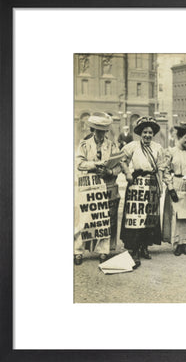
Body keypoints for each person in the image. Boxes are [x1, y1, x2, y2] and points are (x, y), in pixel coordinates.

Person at [75, 112, 122, 265]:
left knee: (104, 219)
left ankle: (103, 250)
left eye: (103, 130)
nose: (101, 134)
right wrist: (96, 164)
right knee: (84, 219)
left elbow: (118, 166)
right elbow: (79, 163)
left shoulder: (112, 145)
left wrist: (109, 171)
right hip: (88, 185)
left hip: (107, 185)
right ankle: (78, 250)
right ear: (92, 130)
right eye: (98, 130)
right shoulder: (84, 145)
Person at [119, 116, 165, 269]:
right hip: (136, 184)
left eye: (150, 133)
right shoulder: (132, 146)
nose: (147, 135)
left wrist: (160, 186)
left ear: (153, 134)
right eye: (145, 132)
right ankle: (134, 248)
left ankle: (145, 246)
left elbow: (160, 168)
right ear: (140, 133)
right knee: (135, 216)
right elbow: (121, 160)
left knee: (149, 217)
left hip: (151, 184)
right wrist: (127, 173)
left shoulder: (158, 148)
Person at [162, 123, 186, 256]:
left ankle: (185, 243)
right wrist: (170, 187)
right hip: (177, 183)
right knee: (177, 215)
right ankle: (177, 244)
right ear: (179, 137)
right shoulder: (171, 152)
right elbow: (166, 171)